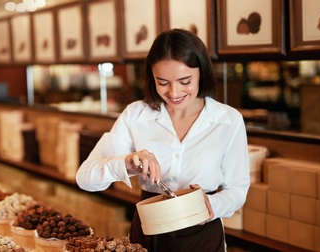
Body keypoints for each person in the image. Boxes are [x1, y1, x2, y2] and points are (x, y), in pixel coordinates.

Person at [76, 28, 250, 252]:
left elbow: (237, 189)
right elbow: (85, 178)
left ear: (202, 73)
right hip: (148, 234)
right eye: (163, 82)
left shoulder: (228, 120)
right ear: (151, 77)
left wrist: (210, 205)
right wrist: (127, 162)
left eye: (185, 81)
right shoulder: (136, 115)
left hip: (203, 234)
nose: (174, 92)